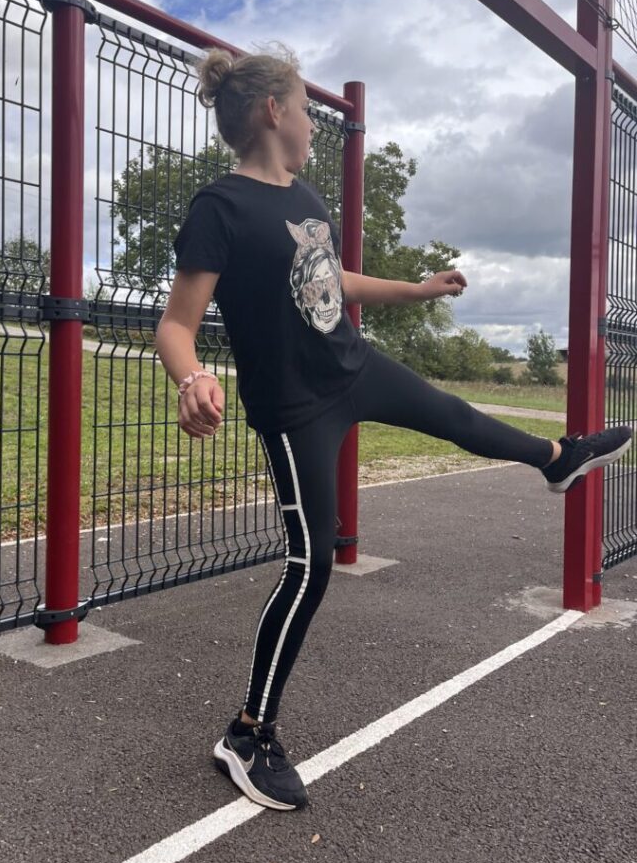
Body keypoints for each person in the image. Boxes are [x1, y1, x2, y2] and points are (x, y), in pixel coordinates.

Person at [154, 46, 632, 813]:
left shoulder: (305, 197)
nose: (314, 126)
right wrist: (193, 378)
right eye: (306, 111)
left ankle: (556, 457)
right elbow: (176, 324)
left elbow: (329, 278)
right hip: (295, 409)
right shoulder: (221, 208)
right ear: (275, 111)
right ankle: (248, 734)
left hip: (351, 366)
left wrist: (415, 289)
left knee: (454, 414)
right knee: (310, 563)